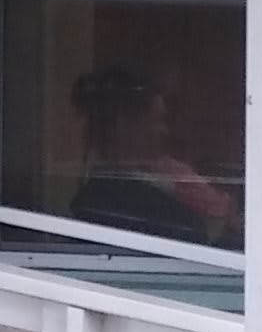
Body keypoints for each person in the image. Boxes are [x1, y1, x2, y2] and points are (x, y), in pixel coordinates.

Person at [66, 64, 229, 246]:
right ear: (123, 126)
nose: (165, 131)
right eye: (157, 120)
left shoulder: (165, 178)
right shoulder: (124, 201)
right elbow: (195, 237)